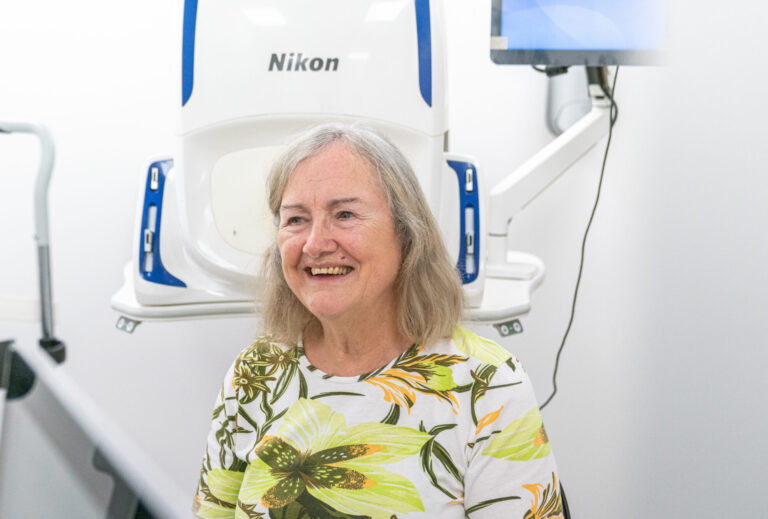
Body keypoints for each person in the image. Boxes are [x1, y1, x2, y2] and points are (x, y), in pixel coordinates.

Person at [193, 124, 562, 519]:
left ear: (406, 234)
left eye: (345, 214)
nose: (316, 244)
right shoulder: (256, 374)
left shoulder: (486, 386)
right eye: (296, 219)